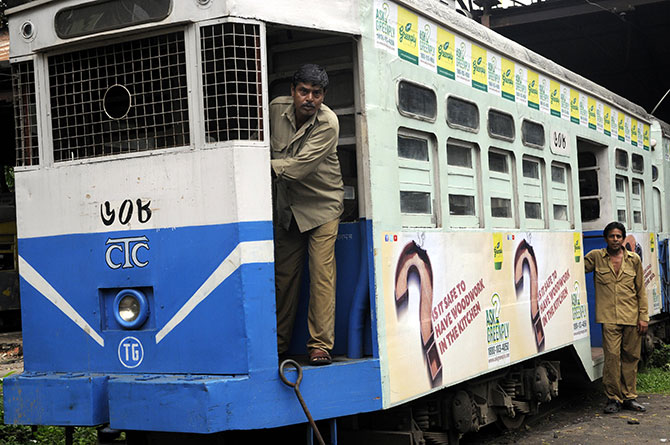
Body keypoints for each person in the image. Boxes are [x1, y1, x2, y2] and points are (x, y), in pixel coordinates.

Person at [270, 64, 343, 366]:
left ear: (323, 96)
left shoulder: (329, 123)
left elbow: (297, 169)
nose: (309, 98)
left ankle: (320, 346)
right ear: (293, 91)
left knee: (321, 275)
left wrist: (258, 165)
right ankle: (276, 345)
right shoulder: (275, 109)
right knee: (283, 278)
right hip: (288, 208)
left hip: (322, 206)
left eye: (316, 93)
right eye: (303, 91)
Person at [584, 221, 648, 414]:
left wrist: (643, 317)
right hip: (609, 318)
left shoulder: (634, 259)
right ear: (606, 238)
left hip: (631, 316)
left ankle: (630, 397)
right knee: (612, 357)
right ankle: (613, 398)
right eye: (611, 236)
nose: (615, 239)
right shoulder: (596, 257)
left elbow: (641, 290)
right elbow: (576, 265)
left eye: (618, 236)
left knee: (631, 358)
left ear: (623, 238)